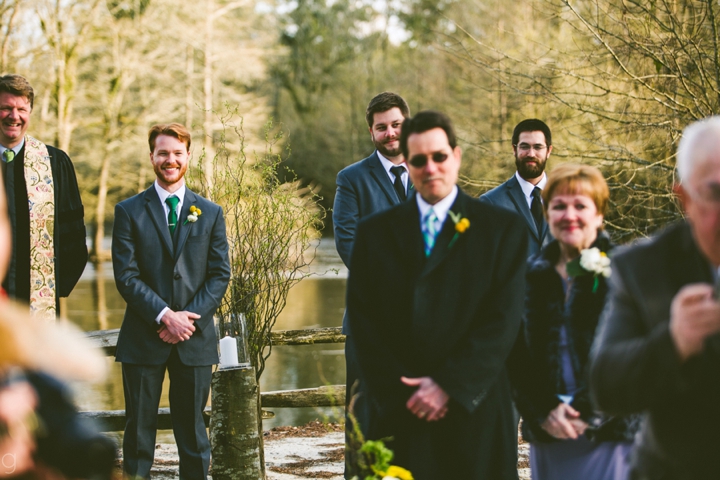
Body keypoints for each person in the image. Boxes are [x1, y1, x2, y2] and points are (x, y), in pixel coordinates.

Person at [347, 110, 527, 479]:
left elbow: (504, 320)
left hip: (475, 412)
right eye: (419, 160)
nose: (431, 168)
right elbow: (365, 324)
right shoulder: (375, 234)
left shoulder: (502, 230)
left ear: (456, 156)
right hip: (400, 413)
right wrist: (403, 394)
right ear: (407, 164)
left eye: (439, 157)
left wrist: (449, 385)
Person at [590, 116, 720, 479]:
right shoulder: (644, 268)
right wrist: (673, 343)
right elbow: (606, 387)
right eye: (717, 194)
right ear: (686, 198)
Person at [112, 123, 230, 480]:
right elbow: (126, 276)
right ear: (151, 157)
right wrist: (165, 316)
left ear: (188, 157)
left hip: (194, 339)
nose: (170, 160)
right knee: (138, 432)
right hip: (143, 338)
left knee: (194, 434)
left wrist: (186, 321)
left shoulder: (210, 212)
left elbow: (219, 274)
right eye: (163, 153)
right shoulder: (129, 210)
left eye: (178, 153)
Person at [512, 164, 638, 480]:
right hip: (550, 432)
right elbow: (514, 357)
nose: (569, 215)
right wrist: (543, 412)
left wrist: (588, 413)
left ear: (599, 215)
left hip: (610, 432)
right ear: (547, 213)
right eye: (559, 206)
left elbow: (633, 357)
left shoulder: (627, 273)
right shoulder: (528, 275)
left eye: (580, 205)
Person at [332, 92, 410, 476]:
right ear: (371, 131)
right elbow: (348, 243)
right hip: (371, 319)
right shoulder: (352, 179)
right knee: (363, 415)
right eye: (382, 127)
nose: (390, 132)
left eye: (396, 124)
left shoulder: (432, 172)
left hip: (426, 323)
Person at [0, 74, 87, 319]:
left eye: (21, 109)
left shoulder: (53, 163)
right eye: (5, 108)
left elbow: (74, 238)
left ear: (30, 111)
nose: (13, 116)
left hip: (38, 300)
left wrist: (51, 286)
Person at [481, 119, 553, 257]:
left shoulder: (565, 197)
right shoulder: (491, 203)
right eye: (525, 146)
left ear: (549, 151)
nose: (531, 154)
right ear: (514, 149)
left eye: (538, 147)